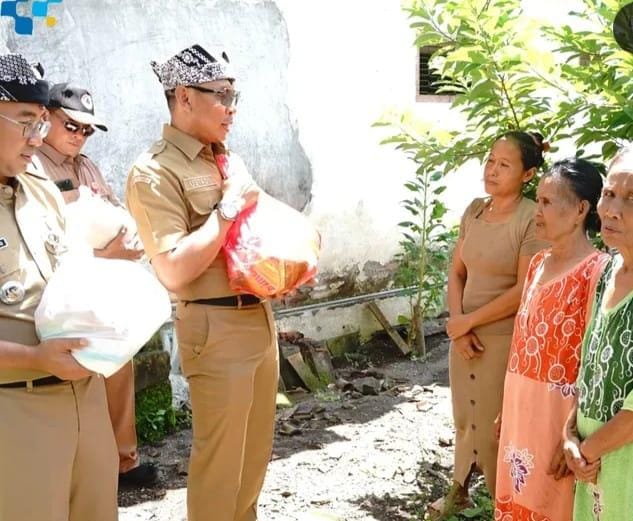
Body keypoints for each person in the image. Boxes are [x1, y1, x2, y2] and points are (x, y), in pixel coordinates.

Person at [125, 44, 278, 521]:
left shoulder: (223, 158)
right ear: (184, 97)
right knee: (220, 465)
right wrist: (228, 206)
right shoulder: (154, 171)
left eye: (236, 96)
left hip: (258, 315)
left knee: (254, 459)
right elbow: (171, 268)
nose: (232, 109)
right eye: (223, 96)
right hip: (214, 325)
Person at [0, 53, 117, 520]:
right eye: (26, 121)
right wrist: (32, 357)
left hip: (84, 400)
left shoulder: (41, 188)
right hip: (15, 409)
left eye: (42, 122)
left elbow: (73, 273)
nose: (38, 137)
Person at [35, 82, 158, 487]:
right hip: (59, 293)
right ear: (46, 117)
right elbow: (45, 242)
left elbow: (113, 213)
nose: (78, 135)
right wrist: (108, 256)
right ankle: (83, 471)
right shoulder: (33, 167)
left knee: (117, 367)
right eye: (71, 126)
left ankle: (124, 463)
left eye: (87, 130)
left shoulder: (87, 166)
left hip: (101, 289)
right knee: (73, 382)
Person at [430, 131, 548, 518]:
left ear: (528, 174)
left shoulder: (532, 217)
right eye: (490, 161)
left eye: (504, 165)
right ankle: (459, 489)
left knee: (498, 423)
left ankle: (504, 501)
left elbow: (523, 288)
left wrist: (469, 323)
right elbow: (457, 271)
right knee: (464, 415)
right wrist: (458, 326)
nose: (492, 170)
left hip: (502, 338)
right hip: (463, 336)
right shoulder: (475, 210)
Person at [494, 158, 606, 520]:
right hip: (519, 406)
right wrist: (505, 406)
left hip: (559, 416)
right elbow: (521, 339)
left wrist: (573, 432)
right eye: (536, 200)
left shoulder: (598, 270)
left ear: (580, 209)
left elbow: (594, 356)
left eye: (546, 202)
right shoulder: (538, 262)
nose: (536, 211)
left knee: (553, 504)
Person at [563, 147, 633, 520]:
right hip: (594, 469)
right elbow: (589, 364)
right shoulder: (608, 271)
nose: (611, 210)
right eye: (609, 194)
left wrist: (584, 451)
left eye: (632, 198)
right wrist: (569, 434)